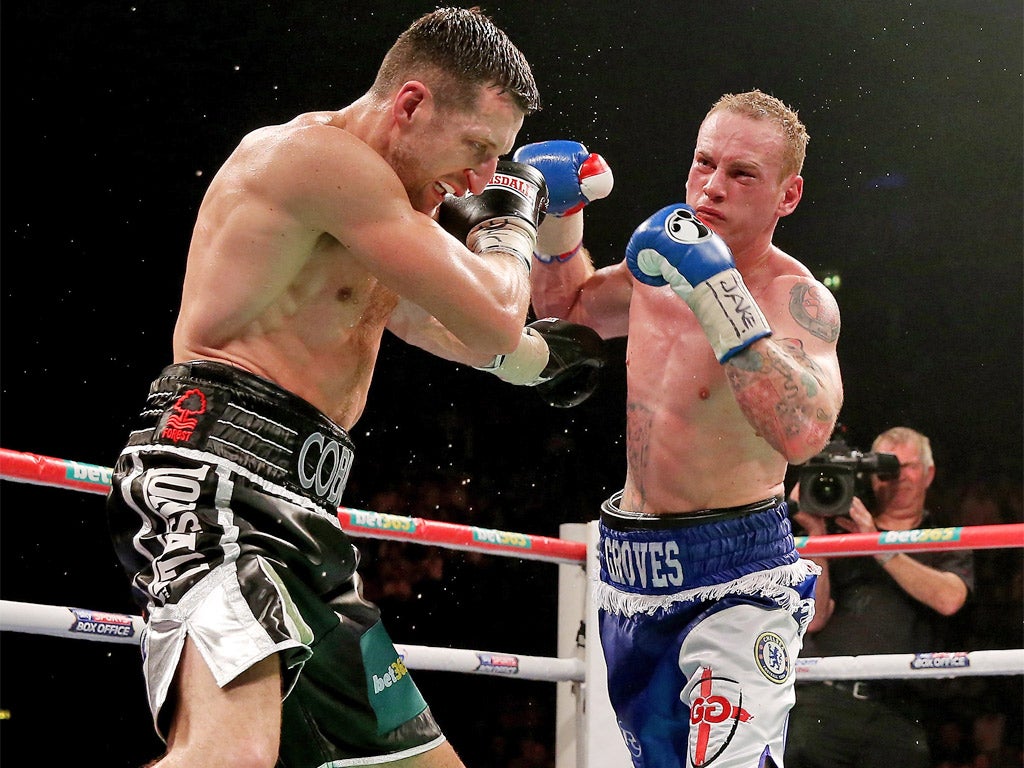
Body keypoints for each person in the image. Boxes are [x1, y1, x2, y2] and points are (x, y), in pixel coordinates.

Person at [104, 8, 603, 767]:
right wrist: (509, 218)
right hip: (218, 482)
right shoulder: (318, 161)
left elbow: (451, 326)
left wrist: (544, 361)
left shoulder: (379, 207)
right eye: (476, 149)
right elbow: (499, 309)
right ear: (410, 104)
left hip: (304, 515)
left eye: (494, 159)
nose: (476, 178)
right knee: (227, 754)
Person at [515, 90, 844, 767]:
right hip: (630, 571)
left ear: (788, 195)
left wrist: (716, 289)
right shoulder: (659, 261)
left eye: (742, 173)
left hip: (738, 578)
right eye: (704, 164)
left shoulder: (796, 298)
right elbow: (567, 313)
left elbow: (804, 431)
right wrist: (558, 221)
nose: (712, 187)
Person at [785, 427, 975, 768]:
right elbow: (814, 619)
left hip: (899, 711)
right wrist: (816, 534)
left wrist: (876, 544)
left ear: (929, 474)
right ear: (870, 476)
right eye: (887, 468)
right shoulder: (840, 531)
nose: (898, 477)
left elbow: (949, 598)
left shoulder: (942, 537)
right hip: (825, 703)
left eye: (909, 466)